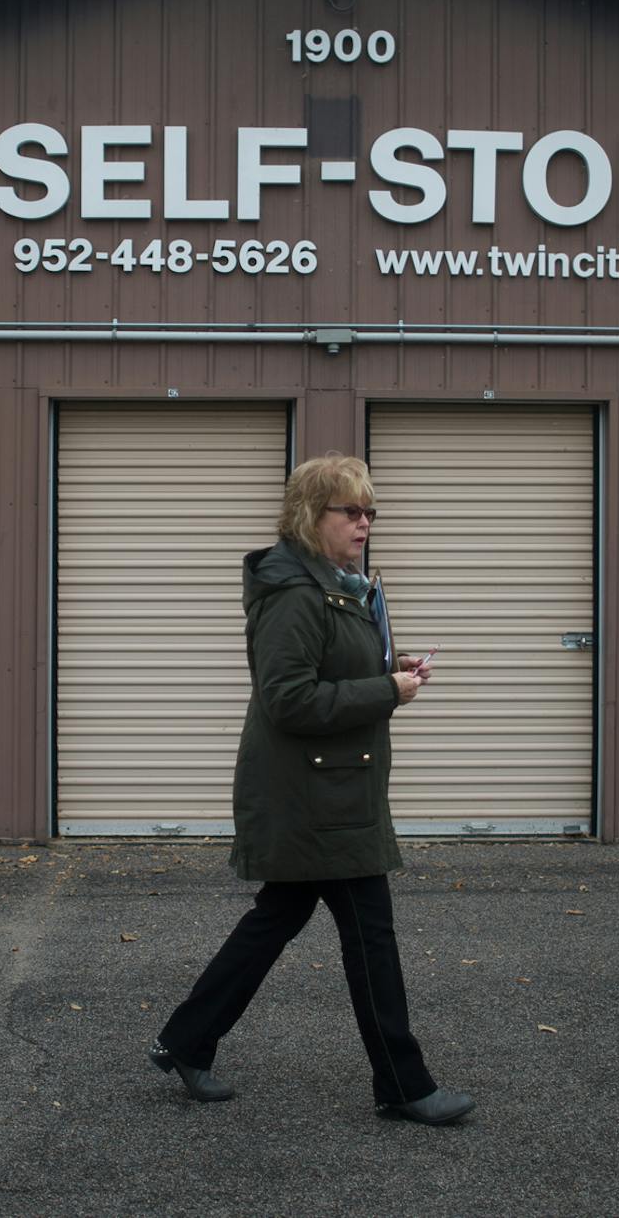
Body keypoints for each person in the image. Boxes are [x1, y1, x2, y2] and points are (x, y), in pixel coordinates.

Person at [148, 453, 476, 1126]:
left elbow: (330, 665)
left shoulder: (334, 584)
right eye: (350, 511)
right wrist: (387, 691)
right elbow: (289, 698)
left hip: (331, 789)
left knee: (278, 919)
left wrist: (391, 665)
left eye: (370, 511)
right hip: (316, 797)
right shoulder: (295, 593)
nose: (365, 523)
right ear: (309, 514)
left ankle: (186, 1040)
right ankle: (403, 1085)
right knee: (370, 937)